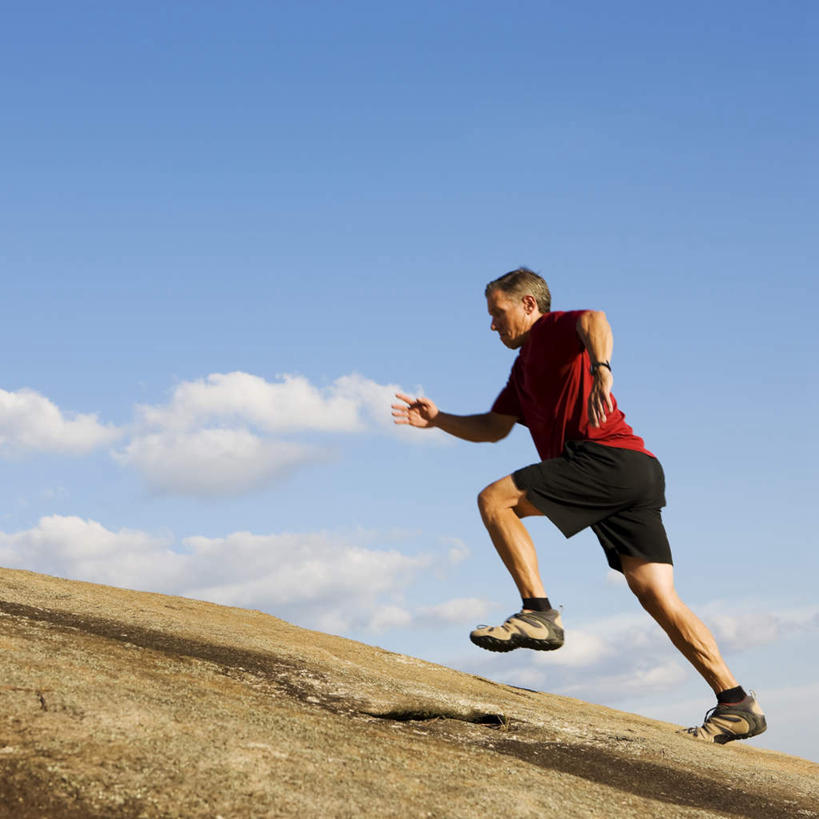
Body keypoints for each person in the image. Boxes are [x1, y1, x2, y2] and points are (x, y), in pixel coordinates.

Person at [392, 267, 766, 745]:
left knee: (494, 500)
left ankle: (538, 612)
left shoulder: (550, 329)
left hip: (603, 458)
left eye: (497, 312)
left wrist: (603, 369)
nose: (492, 325)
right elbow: (494, 427)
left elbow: (595, 319)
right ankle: (735, 702)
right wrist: (439, 420)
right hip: (636, 471)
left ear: (528, 304)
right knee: (658, 595)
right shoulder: (523, 368)